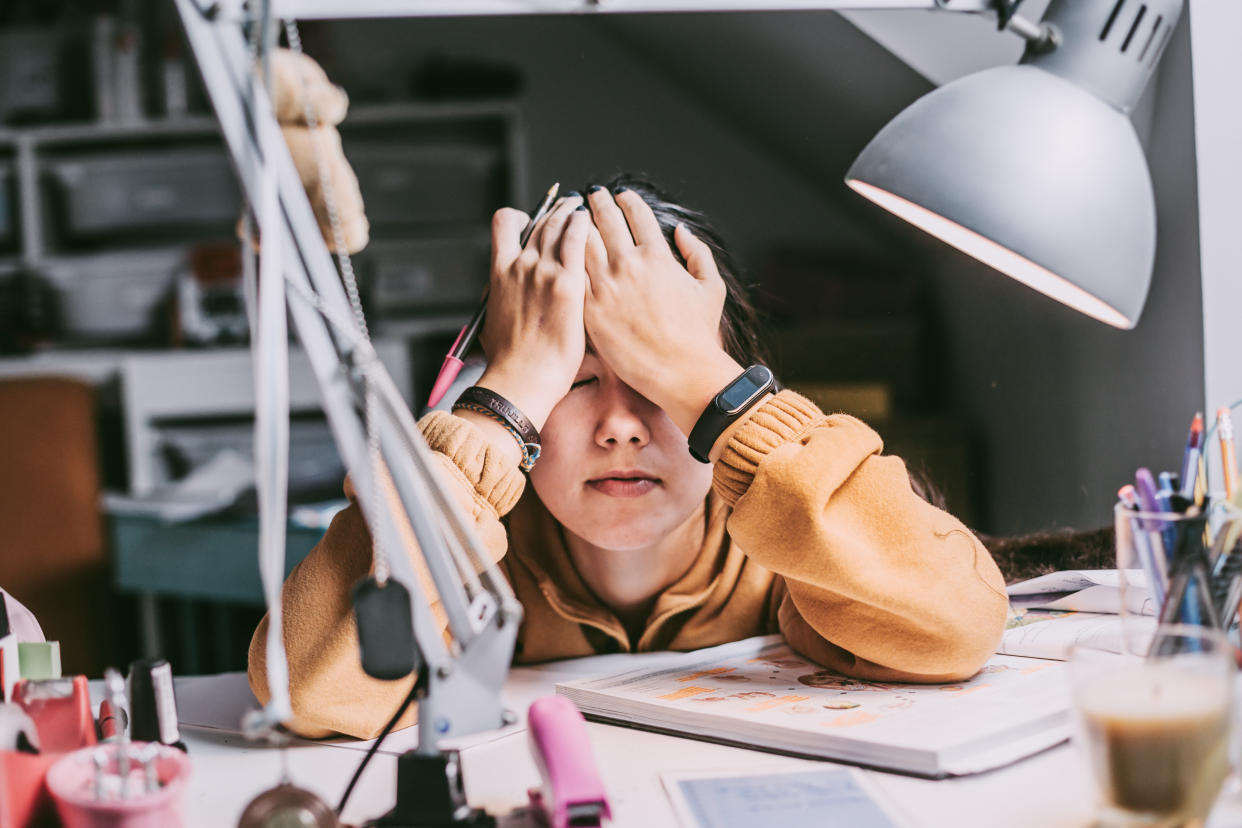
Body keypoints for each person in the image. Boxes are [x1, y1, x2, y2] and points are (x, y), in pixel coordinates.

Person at [249, 176, 1010, 739]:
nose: (620, 428)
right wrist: (500, 397)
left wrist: (713, 387)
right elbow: (315, 689)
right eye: (573, 381)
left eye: (661, 385)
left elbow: (958, 629)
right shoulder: (472, 556)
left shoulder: (793, 538)